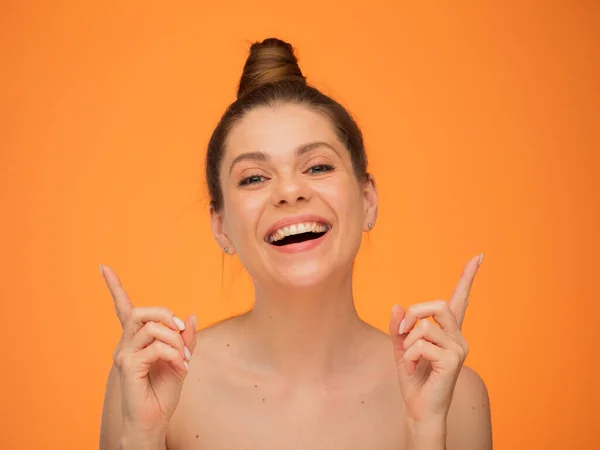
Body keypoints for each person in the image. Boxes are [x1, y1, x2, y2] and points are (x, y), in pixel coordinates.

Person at [99, 38, 492, 450]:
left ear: (368, 199)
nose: (289, 190)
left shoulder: (454, 395)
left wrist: (425, 430)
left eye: (318, 166)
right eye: (253, 177)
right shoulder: (149, 384)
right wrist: (140, 437)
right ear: (221, 227)